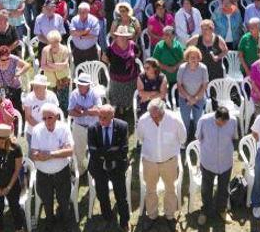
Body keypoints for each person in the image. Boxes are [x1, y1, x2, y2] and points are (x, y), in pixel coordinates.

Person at [137, 98, 186, 228]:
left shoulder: (175, 120)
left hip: (169, 161)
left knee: (170, 188)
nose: (155, 119)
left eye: (158, 116)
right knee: (150, 189)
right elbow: (140, 138)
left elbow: (183, 138)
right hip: (150, 161)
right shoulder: (143, 120)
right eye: (152, 116)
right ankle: (152, 215)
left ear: (164, 112)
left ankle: (169, 215)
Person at [29, 103, 74, 227]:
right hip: (43, 175)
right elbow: (34, 153)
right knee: (47, 201)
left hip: (62, 172)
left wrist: (50, 154)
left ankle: (66, 221)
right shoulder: (37, 130)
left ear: (57, 116)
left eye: (50, 117)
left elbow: (69, 151)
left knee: (64, 200)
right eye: (44, 118)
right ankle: (50, 221)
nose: (47, 121)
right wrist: (60, 151)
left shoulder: (64, 128)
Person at [87, 105, 130, 231]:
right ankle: (108, 217)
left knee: (121, 196)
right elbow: (93, 151)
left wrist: (103, 153)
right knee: (102, 194)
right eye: (99, 117)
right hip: (99, 168)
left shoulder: (122, 126)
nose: (101, 120)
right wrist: (112, 151)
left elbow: (124, 150)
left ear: (112, 116)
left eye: (104, 117)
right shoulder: (92, 128)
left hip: (117, 167)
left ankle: (124, 221)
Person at [195, 106, 237, 226]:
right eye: (220, 122)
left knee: (224, 188)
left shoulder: (233, 121)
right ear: (215, 117)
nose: (223, 125)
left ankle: (222, 210)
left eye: (225, 123)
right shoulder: (203, 121)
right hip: (208, 161)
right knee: (206, 188)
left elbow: (234, 137)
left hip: (225, 162)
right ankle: (205, 211)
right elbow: (199, 137)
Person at [67, 73, 102, 175]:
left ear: (88, 85)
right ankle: (80, 171)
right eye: (78, 84)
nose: (79, 86)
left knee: (96, 151)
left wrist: (83, 111)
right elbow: (70, 112)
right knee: (78, 152)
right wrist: (89, 110)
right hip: (79, 127)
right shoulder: (74, 94)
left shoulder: (95, 94)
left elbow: (99, 110)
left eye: (82, 85)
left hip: (93, 127)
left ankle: (96, 171)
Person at [176, 46, 209, 139]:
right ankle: (184, 138)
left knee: (198, 120)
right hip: (184, 98)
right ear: (187, 58)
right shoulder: (182, 68)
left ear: (199, 58)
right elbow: (179, 85)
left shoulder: (203, 68)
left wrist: (196, 98)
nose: (194, 59)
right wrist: (189, 97)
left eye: (196, 57)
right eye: (192, 57)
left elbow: (204, 85)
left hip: (199, 98)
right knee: (185, 120)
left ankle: (197, 138)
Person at [107, 26, 140, 115]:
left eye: (124, 36)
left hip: (131, 76)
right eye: (119, 36)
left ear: (127, 36)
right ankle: (119, 108)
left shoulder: (132, 45)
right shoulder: (111, 47)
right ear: (116, 36)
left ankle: (128, 107)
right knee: (117, 94)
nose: (121, 37)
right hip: (116, 77)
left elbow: (138, 53)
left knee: (130, 93)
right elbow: (105, 58)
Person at [41, 29, 72, 111]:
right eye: (51, 42)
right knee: (51, 102)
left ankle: (64, 117)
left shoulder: (65, 49)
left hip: (63, 80)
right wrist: (58, 67)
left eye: (56, 41)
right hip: (50, 80)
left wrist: (51, 65)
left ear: (59, 40)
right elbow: (43, 66)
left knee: (64, 102)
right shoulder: (45, 50)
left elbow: (64, 65)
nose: (53, 44)